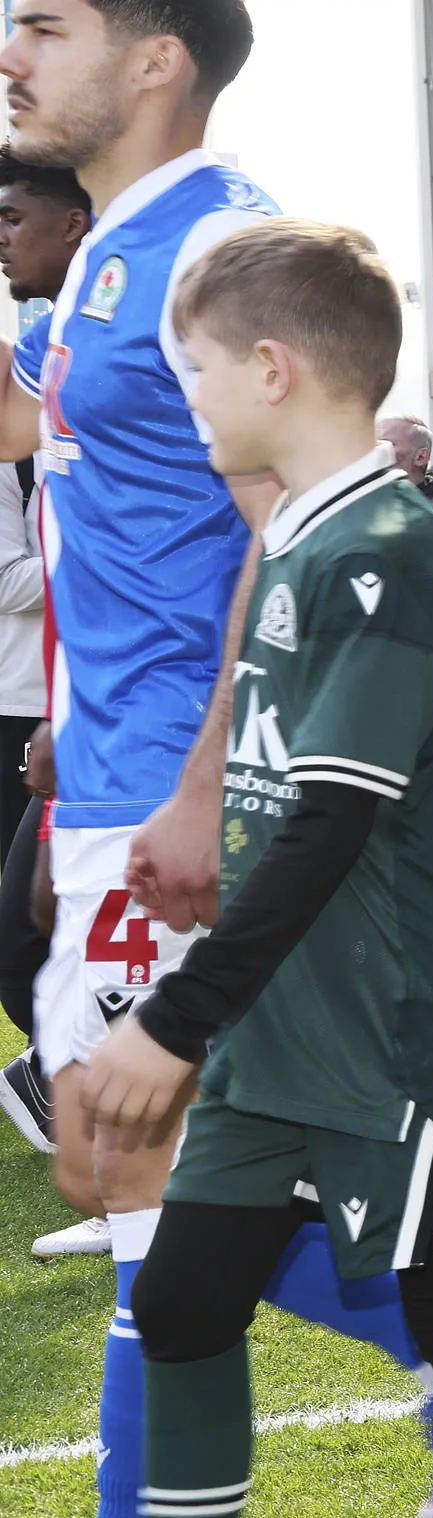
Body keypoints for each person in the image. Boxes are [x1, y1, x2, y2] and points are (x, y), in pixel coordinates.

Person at [0, 14, 433, 1515]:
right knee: (144, 1198)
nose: (9, 50)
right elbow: (54, 437)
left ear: (158, 53)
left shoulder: (215, 252)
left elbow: (272, 517)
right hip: (115, 775)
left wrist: (190, 784)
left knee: (143, 1201)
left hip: (191, 791)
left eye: (45, 22)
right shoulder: (110, 248)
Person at [84, 217, 433, 1518]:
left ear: (270, 368)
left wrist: (175, 1019)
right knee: (186, 1299)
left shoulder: (386, 554)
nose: (181, 393)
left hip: (404, 1031)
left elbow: (329, 825)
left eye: (190, 366)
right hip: (288, 1021)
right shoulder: (303, 537)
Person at [0, 143, 85, 1176]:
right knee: (35, 930)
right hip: (70, 709)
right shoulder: (57, 348)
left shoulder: (116, 333)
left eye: (13, 218)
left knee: (43, 931)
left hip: (125, 714)